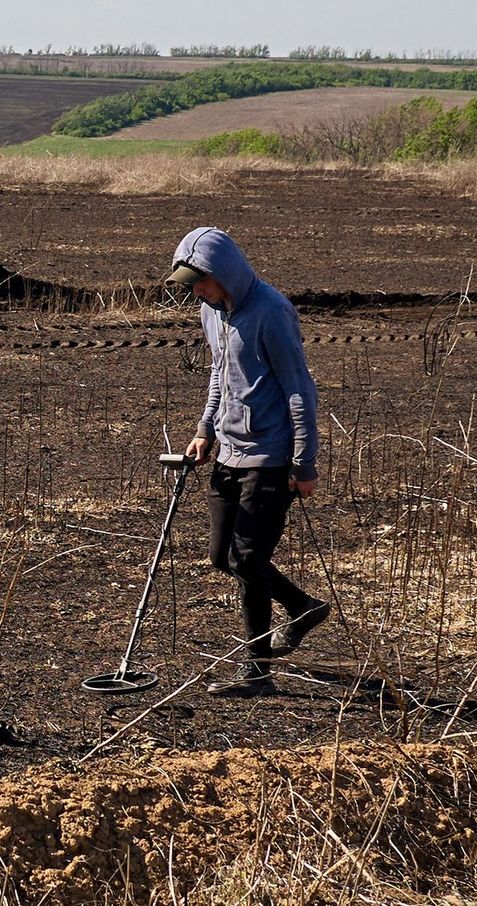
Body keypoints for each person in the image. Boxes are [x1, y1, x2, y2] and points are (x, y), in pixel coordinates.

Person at [166, 227, 330, 697]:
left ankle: (257, 672)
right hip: (229, 451)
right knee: (225, 556)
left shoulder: (272, 312)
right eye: (191, 284)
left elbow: (299, 388)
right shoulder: (210, 312)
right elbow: (220, 373)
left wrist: (304, 463)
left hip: (271, 456)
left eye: (201, 281)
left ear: (225, 274)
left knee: (248, 557)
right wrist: (204, 430)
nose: (196, 291)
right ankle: (302, 607)